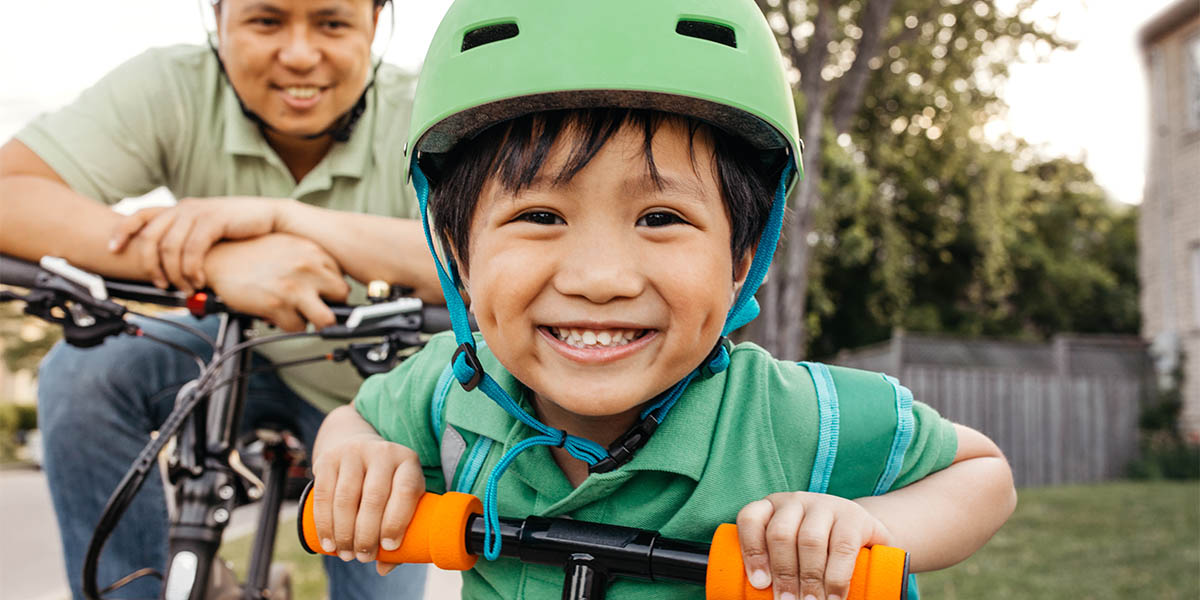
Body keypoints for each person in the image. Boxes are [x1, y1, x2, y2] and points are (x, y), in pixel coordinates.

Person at [310, 0, 1018, 599]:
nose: (600, 278)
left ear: (743, 255)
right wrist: (356, 457)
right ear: (456, 252)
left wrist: (872, 529)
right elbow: (355, 420)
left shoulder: (786, 419)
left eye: (661, 219)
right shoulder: (452, 392)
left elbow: (980, 475)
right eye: (540, 217)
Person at [0, 0, 437, 598]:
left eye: (332, 23)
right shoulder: (168, 86)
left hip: (377, 391)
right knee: (82, 375)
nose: (301, 54)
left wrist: (285, 221)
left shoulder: (426, 108)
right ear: (218, 17)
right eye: (266, 20)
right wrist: (213, 260)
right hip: (239, 346)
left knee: (376, 574)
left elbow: (483, 261)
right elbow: (8, 192)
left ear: (376, 22)